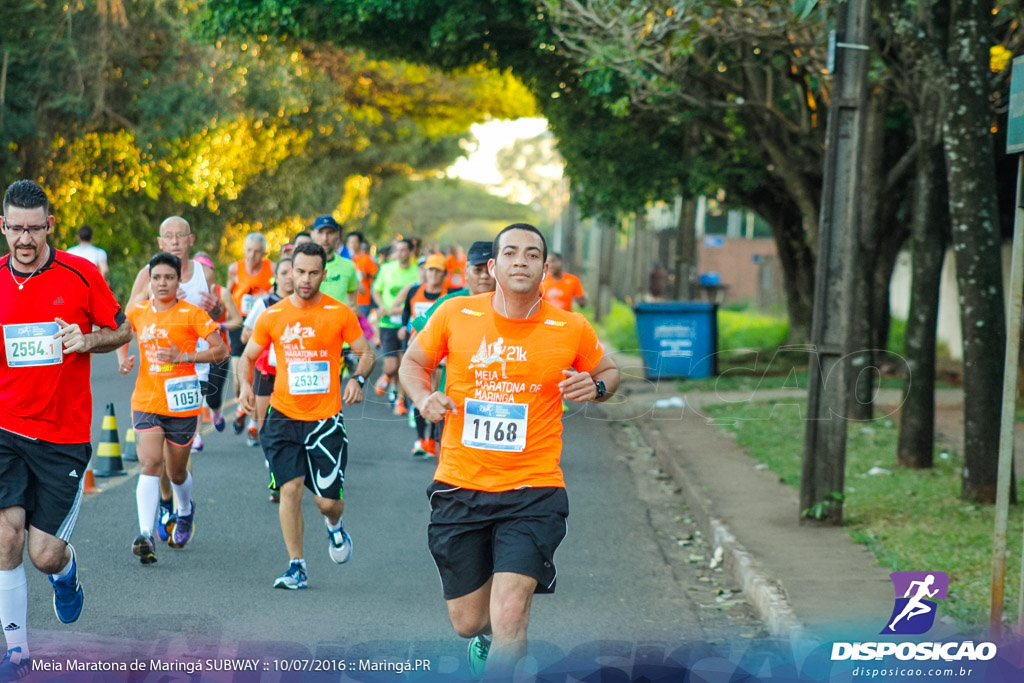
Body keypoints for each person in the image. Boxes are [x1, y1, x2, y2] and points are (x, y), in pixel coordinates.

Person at [400, 223, 619, 678]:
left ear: (545, 268)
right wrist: (424, 398)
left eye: (533, 254)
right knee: (469, 621)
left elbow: (608, 372)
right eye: (512, 253)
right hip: (461, 486)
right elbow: (414, 363)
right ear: (492, 266)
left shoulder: (569, 326)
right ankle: (483, 640)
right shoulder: (455, 315)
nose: (522, 260)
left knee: (511, 613)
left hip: (534, 490)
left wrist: (595, 385)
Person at [0, 180, 132, 679]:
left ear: (49, 225)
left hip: (62, 438)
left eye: (35, 228)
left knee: (43, 553)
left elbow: (122, 329)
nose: (26, 239)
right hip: (5, 429)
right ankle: (16, 651)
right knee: (6, 538)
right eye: (16, 228)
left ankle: (67, 572)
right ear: (4, 227)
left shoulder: (80, 273)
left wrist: (87, 338)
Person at [237, 242, 375, 590]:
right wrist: (243, 386)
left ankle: (334, 526)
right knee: (290, 490)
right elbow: (247, 357)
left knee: (327, 502)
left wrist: (358, 379)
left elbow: (365, 353)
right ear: (290, 272)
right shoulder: (272, 315)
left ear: (324, 275)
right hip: (282, 416)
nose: (306, 279)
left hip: (325, 419)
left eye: (314, 273)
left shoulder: (339, 313)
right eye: (300, 271)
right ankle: (296, 565)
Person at [117, 253, 229, 564]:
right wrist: (122, 358)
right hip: (146, 401)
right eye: (157, 278)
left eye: (169, 277)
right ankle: (145, 534)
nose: (162, 283)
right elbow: (120, 332)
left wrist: (184, 358)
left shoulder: (192, 314)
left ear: (179, 281)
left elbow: (220, 350)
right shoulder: (139, 312)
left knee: (176, 471)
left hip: (182, 403)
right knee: (151, 463)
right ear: (149, 282)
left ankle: (184, 509)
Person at [406, 242, 495, 459]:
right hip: (455, 405)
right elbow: (414, 345)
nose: (484, 276)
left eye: (489, 270)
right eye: (477, 270)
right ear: (466, 272)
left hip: (499, 405)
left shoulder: (513, 307)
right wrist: (446, 359)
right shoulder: (449, 303)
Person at [390, 253, 448, 442]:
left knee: (434, 391)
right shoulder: (414, 292)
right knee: (419, 388)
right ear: (425, 271)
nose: (433, 274)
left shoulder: (449, 296)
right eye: (430, 270)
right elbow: (407, 313)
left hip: (440, 351)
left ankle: (432, 438)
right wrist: (403, 328)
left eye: (437, 271)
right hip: (418, 345)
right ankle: (420, 439)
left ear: (443, 274)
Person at [241, 258, 294, 453]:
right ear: (276, 278)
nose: (289, 278)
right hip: (267, 370)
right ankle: (271, 458)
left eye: (292, 272)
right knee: (265, 422)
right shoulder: (264, 304)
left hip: (293, 371)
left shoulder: (304, 305)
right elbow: (245, 335)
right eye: (283, 273)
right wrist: (265, 336)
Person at [227, 233, 274, 434]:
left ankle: (253, 423)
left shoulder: (271, 268)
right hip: (240, 325)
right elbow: (227, 295)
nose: (252, 256)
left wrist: (266, 295)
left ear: (264, 253)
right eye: (249, 251)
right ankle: (241, 406)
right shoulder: (234, 268)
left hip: (260, 326)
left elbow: (278, 291)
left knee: (256, 377)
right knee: (239, 381)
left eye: (257, 252)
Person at [371, 238, 418, 406]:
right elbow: (376, 291)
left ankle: (399, 399)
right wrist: (382, 306)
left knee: (404, 363)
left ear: (411, 252)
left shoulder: (416, 272)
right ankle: (388, 379)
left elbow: (415, 299)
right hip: (387, 323)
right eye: (397, 250)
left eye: (404, 250)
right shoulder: (386, 268)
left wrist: (398, 311)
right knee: (392, 365)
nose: (400, 254)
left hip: (406, 324)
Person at [310, 215, 359, 309]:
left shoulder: (348, 266)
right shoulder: (303, 266)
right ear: (312, 234)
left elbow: (352, 301)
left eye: (330, 233)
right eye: (320, 232)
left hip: (339, 322)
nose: (325, 238)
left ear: (337, 235)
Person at [347, 231, 379, 321]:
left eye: (355, 242)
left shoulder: (365, 258)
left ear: (360, 244)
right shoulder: (346, 260)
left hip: (363, 300)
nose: (353, 244)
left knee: (361, 328)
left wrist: (366, 275)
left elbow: (376, 274)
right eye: (350, 242)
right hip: (348, 300)